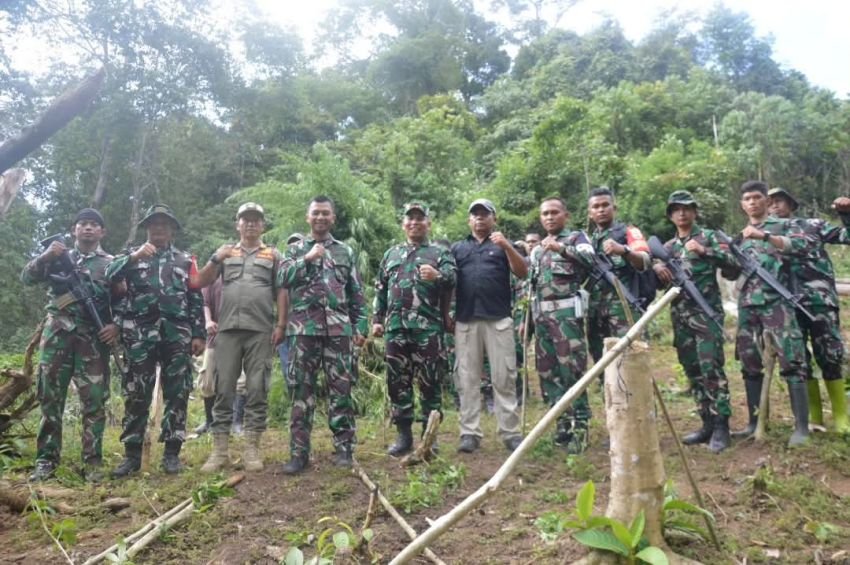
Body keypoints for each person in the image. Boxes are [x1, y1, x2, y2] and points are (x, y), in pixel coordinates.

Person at [23, 209, 120, 482]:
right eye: (83, 224)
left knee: (95, 401)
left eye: (94, 225)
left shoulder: (111, 263)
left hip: (92, 339)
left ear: (102, 232)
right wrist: (46, 256)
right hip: (58, 334)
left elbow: (123, 299)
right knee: (50, 397)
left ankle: (92, 463)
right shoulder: (56, 257)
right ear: (74, 229)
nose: (88, 228)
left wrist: (116, 325)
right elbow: (27, 278)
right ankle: (46, 460)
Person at [108, 204, 205, 477]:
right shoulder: (131, 256)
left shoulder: (185, 260)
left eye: (164, 224)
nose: (159, 228)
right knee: (136, 392)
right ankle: (132, 455)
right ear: (147, 228)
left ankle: (172, 454)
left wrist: (198, 333)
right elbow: (108, 275)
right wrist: (134, 257)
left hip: (177, 334)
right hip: (140, 334)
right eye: (154, 223)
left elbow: (195, 297)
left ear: (172, 229)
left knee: (178, 392)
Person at [278, 196, 368, 474]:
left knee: (341, 390)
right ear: (308, 217)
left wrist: (361, 325)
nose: (320, 217)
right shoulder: (294, 249)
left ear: (333, 218)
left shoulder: (345, 251)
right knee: (301, 391)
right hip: (303, 331)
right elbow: (281, 279)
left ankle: (344, 449)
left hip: (339, 330)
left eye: (325, 213)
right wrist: (306, 259)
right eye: (315, 213)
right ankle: (299, 454)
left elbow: (356, 291)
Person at [196, 202, 286, 473]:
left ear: (263, 225)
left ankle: (251, 449)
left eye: (256, 220)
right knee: (223, 389)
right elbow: (201, 281)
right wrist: (216, 258)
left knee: (257, 388)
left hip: (260, 330)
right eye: (245, 220)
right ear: (237, 224)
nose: (250, 224)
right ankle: (219, 451)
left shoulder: (273, 255)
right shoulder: (226, 252)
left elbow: (282, 291)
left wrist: (281, 324)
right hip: (227, 331)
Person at [653, 191, 738, 453]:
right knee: (692, 369)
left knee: (711, 368)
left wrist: (704, 251)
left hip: (706, 314)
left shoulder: (709, 237)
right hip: (680, 317)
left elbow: (733, 265)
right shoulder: (667, 247)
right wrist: (656, 268)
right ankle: (707, 423)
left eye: (687, 208)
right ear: (671, 215)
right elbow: (658, 283)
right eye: (676, 209)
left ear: (695, 212)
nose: (682, 213)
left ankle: (722, 426)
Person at [729, 181, 812, 446]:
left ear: (767, 200)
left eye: (757, 197)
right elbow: (730, 272)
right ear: (742, 205)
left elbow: (799, 247)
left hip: (778, 304)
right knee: (749, 361)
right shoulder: (739, 237)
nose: (752, 202)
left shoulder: (784, 226)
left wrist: (764, 236)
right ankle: (755, 422)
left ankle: (801, 428)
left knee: (792, 361)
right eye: (747, 199)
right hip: (747, 305)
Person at [372, 202, 456, 456]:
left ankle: (430, 436)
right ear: (403, 224)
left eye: (420, 218)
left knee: (430, 382)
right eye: (410, 218)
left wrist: (437, 275)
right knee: (397, 382)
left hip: (427, 329)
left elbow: (454, 279)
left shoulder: (439, 253)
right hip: (396, 329)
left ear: (428, 224)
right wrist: (377, 319)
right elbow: (381, 289)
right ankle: (403, 435)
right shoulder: (391, 254)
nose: (415, 223)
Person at [768, 187, 849, 433]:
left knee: (830, 355)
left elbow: (846, 236)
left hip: (819, 300)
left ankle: (841, 417)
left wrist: (846, 214)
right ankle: (814, 416)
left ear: (791, 204)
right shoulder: (761, 233)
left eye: (779, 201)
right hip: (786, 305)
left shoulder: (812, 225)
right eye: (770, 203)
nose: (774, 206)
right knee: (797, 359)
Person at [450, 198, 527, 453]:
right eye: (475, 214)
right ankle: (469, 433)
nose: (480, 218)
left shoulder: (503, 245)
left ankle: (510, 432)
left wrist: (506, 246)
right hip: (466, 320)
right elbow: (449, 282)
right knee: (467, 379)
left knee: (504, 377)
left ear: (494, 218)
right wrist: (446, 314)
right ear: (469, 220)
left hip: (498, 320)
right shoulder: (458, 248)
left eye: (485, 214)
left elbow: (522, 272)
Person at [529, 197, 594, 453]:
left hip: (567, 317)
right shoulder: (537, 250)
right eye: (545, 213)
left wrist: (562, 249)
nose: (549, 217)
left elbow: (591, 261)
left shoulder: (577, 239)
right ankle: (562, 424)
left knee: (572, 370)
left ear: (565, 215)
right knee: (548, 373)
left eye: (554, 212)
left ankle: (581, 426)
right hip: (542, 319)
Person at [586, 187, 651, 363]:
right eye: (596, 207)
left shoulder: (628, 232)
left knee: (631, 359)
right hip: (596, 310)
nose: (601, 210)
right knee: (602, 360)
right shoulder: (588, 240)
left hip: (624, 308)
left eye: (605, 205)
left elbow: (644, 260)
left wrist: (624, 250)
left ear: (614, 208)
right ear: (590, 213)